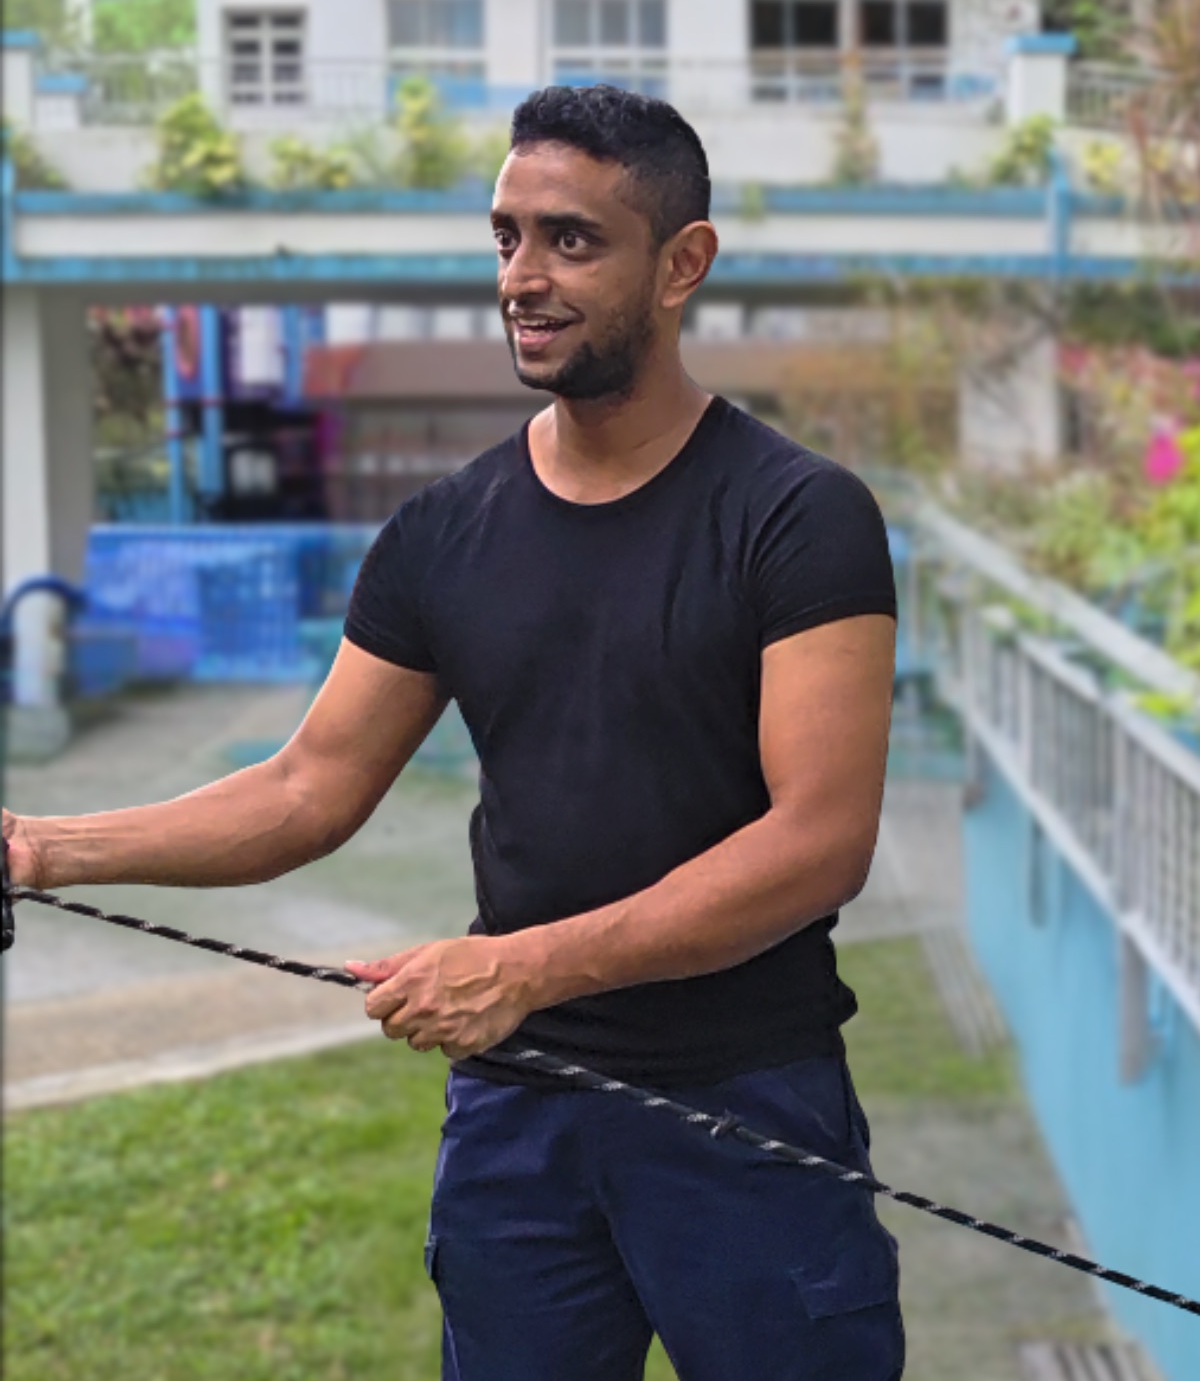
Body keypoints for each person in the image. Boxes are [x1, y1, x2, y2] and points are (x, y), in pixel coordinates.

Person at [2, 85, 904, 1381]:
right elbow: (309, 786)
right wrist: (41, 848)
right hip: (517, 1129)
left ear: (682, 265)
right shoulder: (443, 532)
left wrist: (524, 969)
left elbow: (818, 841)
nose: (523, 279)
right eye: (506, 237)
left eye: (573, 241)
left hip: (746, 1106)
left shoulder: (797, 516)